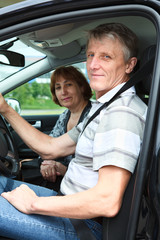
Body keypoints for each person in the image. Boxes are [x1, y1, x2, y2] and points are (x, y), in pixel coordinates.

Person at [0, 23, 147, 240]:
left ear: (129, 65)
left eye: (106, 57)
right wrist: (5, 109)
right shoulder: (105, 108)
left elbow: (107, 201)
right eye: (90, 55)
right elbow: (51, 148)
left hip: (85, 226)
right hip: (69, 204)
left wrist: (32, 204)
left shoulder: (122, 114)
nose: (93, 65)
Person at [21, 66, 92, 191]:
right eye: (58, 87)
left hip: (77, 187)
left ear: (81, 87)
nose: (63, 92)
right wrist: (47, 164)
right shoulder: (65, 115)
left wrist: (62, 169)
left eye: (68, 85)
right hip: (60, 177)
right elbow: (49, 147)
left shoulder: (92, 116)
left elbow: (88, 169)